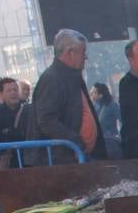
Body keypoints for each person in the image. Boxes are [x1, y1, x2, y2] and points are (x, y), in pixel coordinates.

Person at [25, 29, 103, 164]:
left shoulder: (72, 77)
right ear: (70, 52)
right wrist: (75, 140)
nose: (86, 57)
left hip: (78, 156)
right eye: (83, 52)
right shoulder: (52, 78)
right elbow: (46, 120)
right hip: (59, 159)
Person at [0, 77, 27, 167]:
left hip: (27, 159)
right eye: (9, 90)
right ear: (2, 94)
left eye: (15, 90)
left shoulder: (28, 110)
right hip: (9, 162)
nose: (13, 93)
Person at [90, 82, 121, 159]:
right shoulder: (93, 105)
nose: (91, 94)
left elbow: (122, 120)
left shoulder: (112, 105)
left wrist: (121, 136)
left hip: (110, 141)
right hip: (96, 141)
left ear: (100, 95)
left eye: (93, 93)